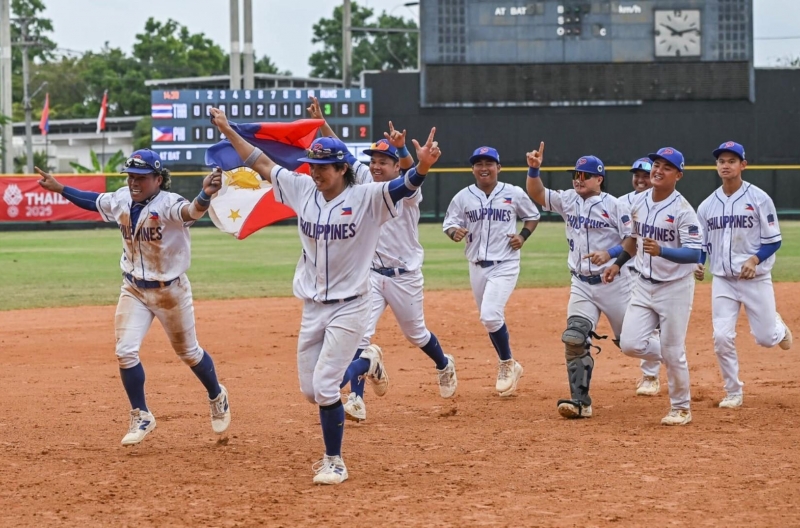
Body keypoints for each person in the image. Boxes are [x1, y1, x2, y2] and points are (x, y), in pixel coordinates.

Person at [209, 107, 441, 485]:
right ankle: (367, 361)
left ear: (342, 169)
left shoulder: (367, 196)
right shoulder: (302, 190)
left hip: (351, 305)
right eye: (312, 165)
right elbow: (260, 161)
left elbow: (405, 186)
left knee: (325, 387)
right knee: (309, 390)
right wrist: (228, 130)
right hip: (313, 306)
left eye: (323, 167)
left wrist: (422, 166)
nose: (315, 172)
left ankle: (334, 460)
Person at [35, 149, 231, 446]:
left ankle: (217, 394)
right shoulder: (121, 199)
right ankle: (141, 414)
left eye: (140, 177)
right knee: (125, 351)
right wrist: (60, 188)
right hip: (134, 289)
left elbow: (191, 212)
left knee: (189, 353)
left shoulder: (169, 203)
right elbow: (92, 201)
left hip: (170, 291)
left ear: (157, 178)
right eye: (130, 176)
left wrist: (204, 194)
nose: (133, 182)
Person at [306, 98, 457, 422]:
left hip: (404, 275)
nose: (376, 166)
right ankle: (357, 399)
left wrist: (408, 156)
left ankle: (444, 363)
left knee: (416, 334)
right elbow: (342, 155)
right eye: (373, 160)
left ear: (395, 167)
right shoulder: (363, 182)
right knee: (360, 337)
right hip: (370, 275)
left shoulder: (406, 190)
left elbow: (413, 173)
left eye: (383, 162)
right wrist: (321, 124)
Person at [525, 146, 655, 419]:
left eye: (585, 175)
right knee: (574, 336)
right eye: (576, 174)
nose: (579, 179)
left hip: (615, 283)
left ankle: (671, 352)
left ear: (599, 179)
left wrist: (609, 255)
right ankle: (580, 402)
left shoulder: (615, 205)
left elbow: (632, 240)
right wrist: (534, 169)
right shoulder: (568, 199)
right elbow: (536, 193)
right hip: (581, 284)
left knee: (631, 344)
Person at [603, 147, 703, 426]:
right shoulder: (638, 202)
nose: (658, 170)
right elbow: (633, 241)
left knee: (672, 351)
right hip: (643, 285)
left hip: (675, 287)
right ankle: (673, 355)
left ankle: (681, 407)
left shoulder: (684, 211)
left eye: (667, 167)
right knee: (630, 343)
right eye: (656, 164)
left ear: (678, 175)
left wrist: (663, 251)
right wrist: (617, 263)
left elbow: (695, 253)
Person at [695, 141, 793, 409]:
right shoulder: (707, 206)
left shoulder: (759, 199)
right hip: (723, 280)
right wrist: (698, 262)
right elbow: (701, 244)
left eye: (731, 161)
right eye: (721, 161)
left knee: (765, 338)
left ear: (743, 165)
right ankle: (733, 391)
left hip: (755, 278)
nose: (725, 165)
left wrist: (754, 258)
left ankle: (776, 326)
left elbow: (774, 240)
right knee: (721, 337)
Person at [442, 145, 540, 397]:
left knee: (489, 315)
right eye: (479, 164)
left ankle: (506, 363)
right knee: (490, 319)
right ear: (473, 168)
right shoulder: (463, 196)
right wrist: (455, 233)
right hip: (476, 266)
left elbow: (532, 216)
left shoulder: (513, 193)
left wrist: (523, 236)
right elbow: (450, 223)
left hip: (505, 264)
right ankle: (510, 363)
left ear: (498, 167)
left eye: (489, 163)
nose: (484, 168)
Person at [620, 157, 663, 396]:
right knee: (635, 330)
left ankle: (650, 375)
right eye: (636, 174)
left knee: (655, 326)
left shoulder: (666, 202)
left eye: (645, 175)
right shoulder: (621, 202)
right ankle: (666, 360)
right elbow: (622, 240)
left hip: (658, 273)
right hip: (628, 272)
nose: (640, 179)